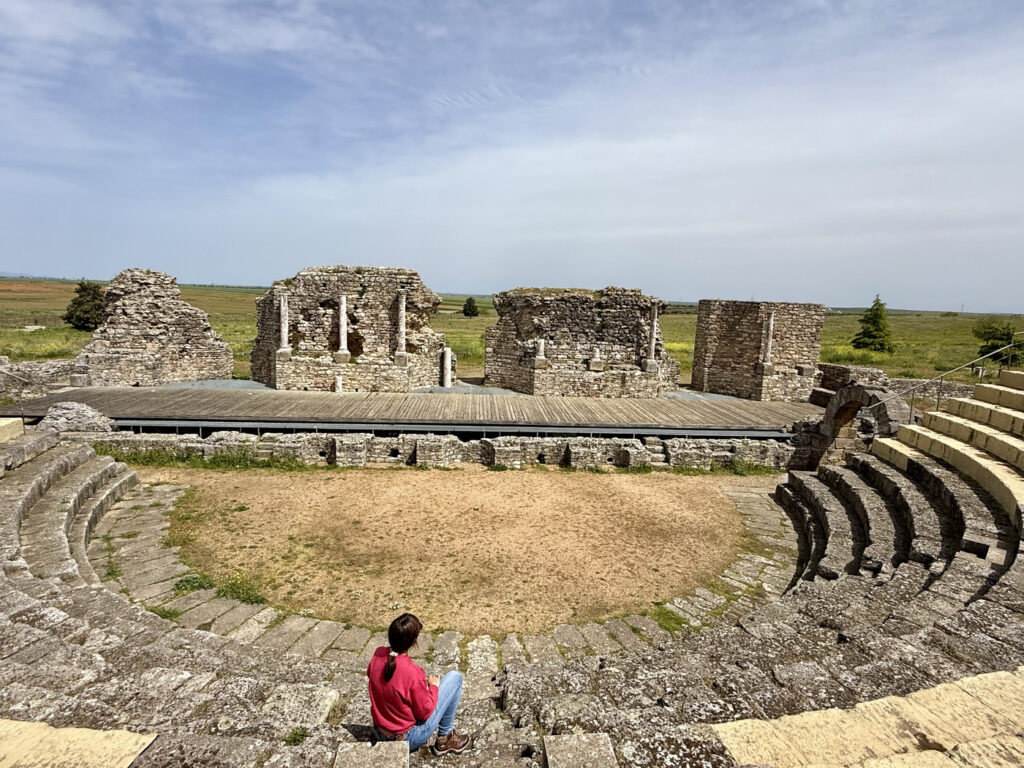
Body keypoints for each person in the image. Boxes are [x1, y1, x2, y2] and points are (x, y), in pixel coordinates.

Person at [367, 613, 472, 755]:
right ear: (413, 642)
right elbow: (424, 712)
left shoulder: (378, 654)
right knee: (455, 678)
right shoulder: (412, 672)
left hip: (380, 731)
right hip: (406, 737)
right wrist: (433, 686)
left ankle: (445, 737)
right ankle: (444, 738)